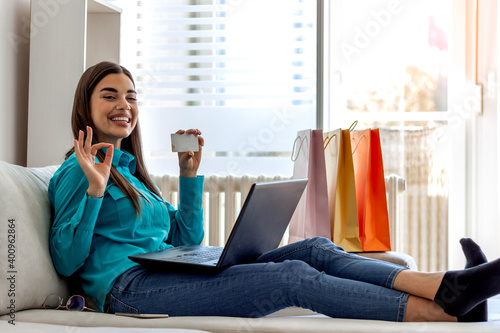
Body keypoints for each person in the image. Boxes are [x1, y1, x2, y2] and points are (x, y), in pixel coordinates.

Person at [49, 61, 499, 322]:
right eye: (109, 96)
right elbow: (67, 259)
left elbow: (184, 241)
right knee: (290, 278)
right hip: (127, 291)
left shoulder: (130, 172)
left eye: (130, 96)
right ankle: (448, 315)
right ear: (85, 106)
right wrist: (93, 190)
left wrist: (189, 176)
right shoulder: (77, 171)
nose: (124, 106)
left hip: (170, 273)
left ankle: (448, 286)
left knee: (316, 249)